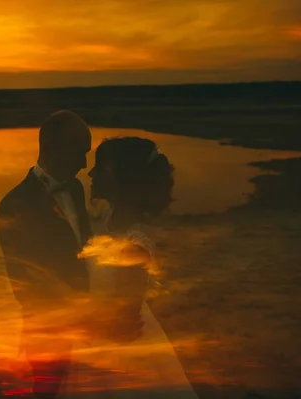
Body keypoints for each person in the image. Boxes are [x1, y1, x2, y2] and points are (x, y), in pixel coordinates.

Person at [60, 136, 199, 398]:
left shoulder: (135, 243)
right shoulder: (110, 222)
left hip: (116, 352)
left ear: (115, 176)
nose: (90, 173)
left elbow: (123, 321)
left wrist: (72, 323)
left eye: (99, 167)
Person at [0, 110, 94, 399]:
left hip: (88, 323)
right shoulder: (14, 205)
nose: (85, 164)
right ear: (56, 148)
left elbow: (82, 247)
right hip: (48, 327)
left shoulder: (75, 189)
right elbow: (23, 281)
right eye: (80, 153)